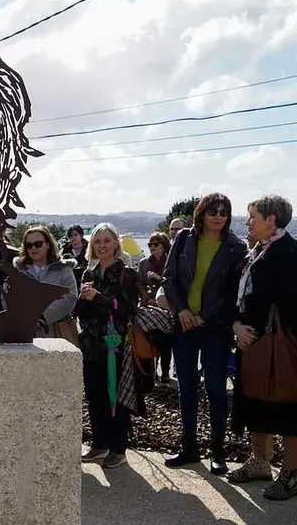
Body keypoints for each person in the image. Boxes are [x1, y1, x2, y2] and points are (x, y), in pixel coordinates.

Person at [162, 193, 247, 475]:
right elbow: (168, 278)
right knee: (186, 388)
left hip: (215, 330)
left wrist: (203, 316)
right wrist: (182, 311)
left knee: (216, 390)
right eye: (213, 210)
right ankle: (188, 447)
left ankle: (218, 452)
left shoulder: (236, 247)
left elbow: (230, 292)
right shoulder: (184, 238)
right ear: (202, 213)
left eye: (224, 211)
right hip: (184, 327)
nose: (219, 216)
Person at [227, 194, 297, 500]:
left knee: (287, 409)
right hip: (251, 344)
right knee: (254, 403)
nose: (247, 222)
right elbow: (237, 299)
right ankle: (260, 462)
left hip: (282, 347)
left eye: (253, 216)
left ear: (272, 220)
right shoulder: (255, 253)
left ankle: (292, 474)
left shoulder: (289, 254)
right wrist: (237, 326)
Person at [77, 223, 148, 469]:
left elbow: (126, 309)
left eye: (107, 240)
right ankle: (99, 444)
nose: (102, 245)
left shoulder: (126, 274)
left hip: (114, 344)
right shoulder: (89, 273)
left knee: (114, 397)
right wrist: (84, 300)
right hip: (90, 344)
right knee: (95, 396)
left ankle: (118, 448)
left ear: (116, 243)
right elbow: (81, 312)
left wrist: (98, 298)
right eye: (97, 241)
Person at [11, 226, 77, 338]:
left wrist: (42, 316)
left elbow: (70, 297)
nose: (33, 248)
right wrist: (26, 316)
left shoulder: (63, 269)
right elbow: (8, 297)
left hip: (57, 333)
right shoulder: (18, 270)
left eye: (38, 244)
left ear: (48, 244)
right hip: (24, 332)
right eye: (29, 245)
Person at [139, 232, 173, 382]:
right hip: (148, 307)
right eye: (150, 244)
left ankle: (165, 372)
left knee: (165, 341)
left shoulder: (171, 262)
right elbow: (139, 283)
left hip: (166, 307)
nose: (152, 247)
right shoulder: (144, 263)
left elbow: (173, 284)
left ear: (164, 246)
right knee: (148, 340)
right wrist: (145, 297)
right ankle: (151, 372)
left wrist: (159, 279)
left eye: (156, 244)